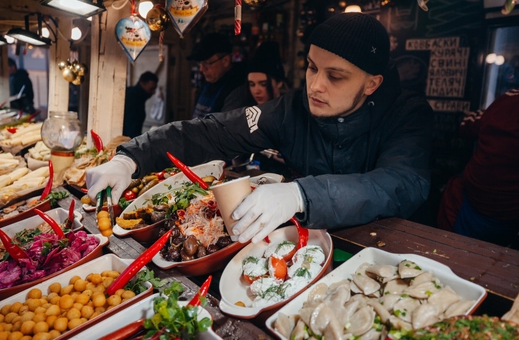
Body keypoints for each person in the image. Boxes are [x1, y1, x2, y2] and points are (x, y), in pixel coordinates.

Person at [87, 12, 433, 245]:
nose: (315, 85)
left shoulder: (407, 113)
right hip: (302, 247)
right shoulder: (292, 109)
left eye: (335, 76)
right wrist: (130, 159)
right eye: (312, 68)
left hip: (384, 252)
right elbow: (210, 132)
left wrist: (300, 195)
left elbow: (403, 183)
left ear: (372, 84)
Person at [437, 88, 519, 248]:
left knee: (447, 256)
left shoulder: (508, 100)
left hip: (471, 206)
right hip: (480, 208)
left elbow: (467, 126)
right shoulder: (510, 101)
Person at [223, 41, 293, 179]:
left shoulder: (290, 112)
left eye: (263, 84)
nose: (257, 90)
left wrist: (264, 149)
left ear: (279, 82)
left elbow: (296, 158)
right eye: (252, 84)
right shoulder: (246, 109)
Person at [188, 32, 246, 119]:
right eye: (200, 63)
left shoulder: (236, 91)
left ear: (225, 61)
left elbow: (227, 129)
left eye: (207, 63)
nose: (201, 69)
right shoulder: (207, 85)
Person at [123, 71, 158, 138]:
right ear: (142, 84)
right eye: (151, 88)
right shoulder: (134, 98)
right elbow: (131, 129)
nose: (154, 92)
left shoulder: (137, 96)